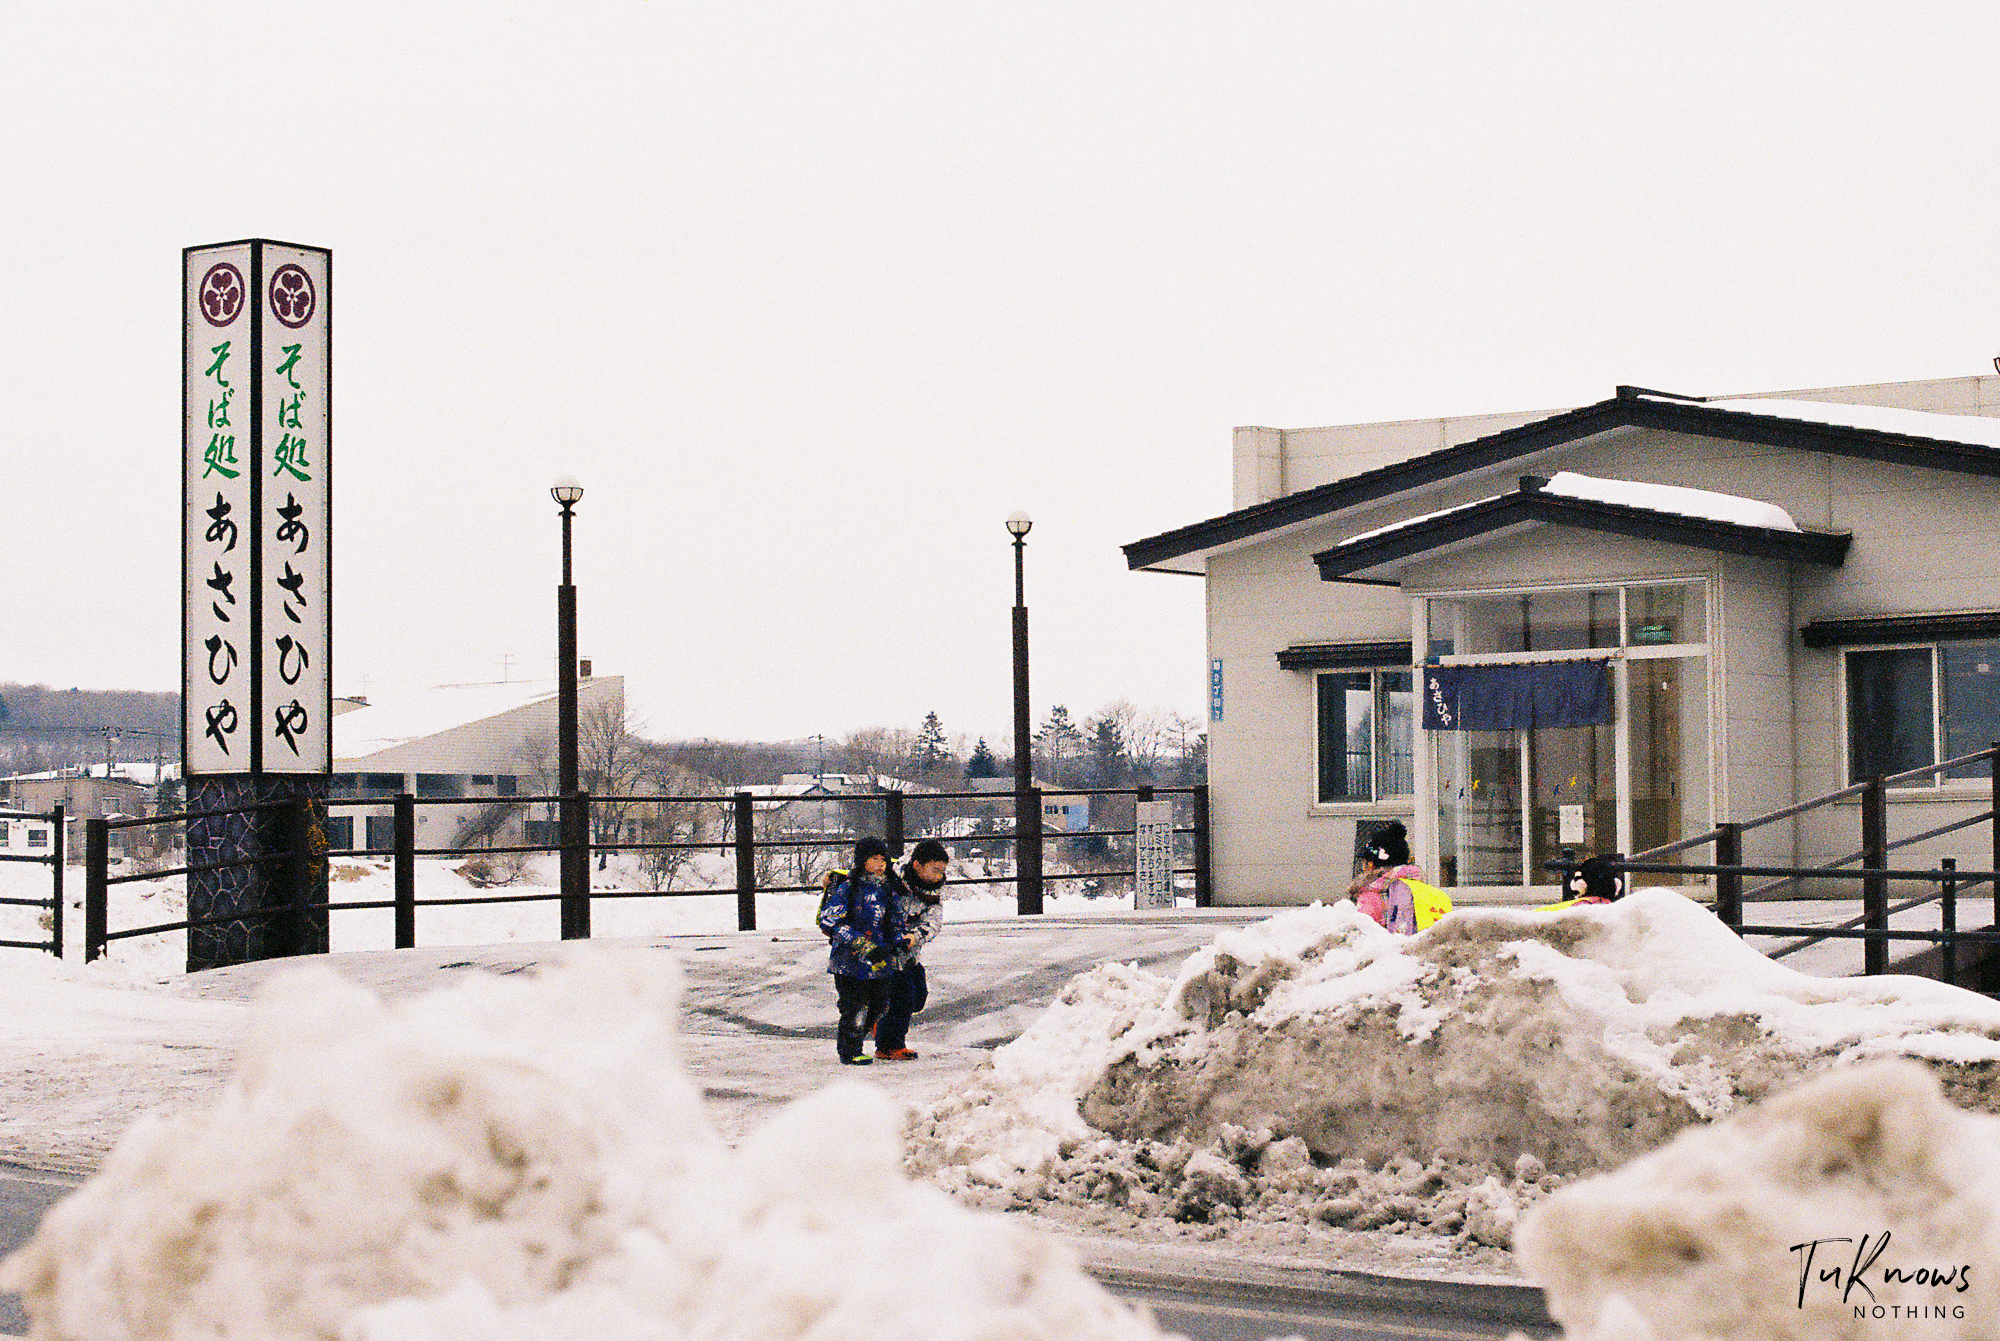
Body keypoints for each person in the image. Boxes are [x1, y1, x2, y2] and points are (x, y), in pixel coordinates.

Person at [817, 836, 910, 1065]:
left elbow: (895, 919)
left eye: (883, 859)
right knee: (856, 1005)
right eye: (874, 859)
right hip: (849, 961)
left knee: (879, 1004)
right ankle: (850, 1049)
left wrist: (898, 940)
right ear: (862, 861)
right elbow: (829, 919)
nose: (880, 864)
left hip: (880, 959)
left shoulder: (889, 888)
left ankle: (857, 1036)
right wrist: (860, 944)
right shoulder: (849, 886)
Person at [874, 839, 948, 1060]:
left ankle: (878, 1017)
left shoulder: (932, 892)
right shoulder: (889, 878)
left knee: (918, 997)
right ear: (917, 865)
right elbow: (858, 879)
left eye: (942, 871)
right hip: (885, 952)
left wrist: (917, 936)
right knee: (903, 997)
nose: (939, 876)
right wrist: (833, 879)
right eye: (935, 870)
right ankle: (890, 1045)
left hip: (909, 953)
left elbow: (934, 921)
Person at [1348, 820, 1421, 934]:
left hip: (1385, 950)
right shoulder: (1423, 891)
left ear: (1370, 864)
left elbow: (1357, 934)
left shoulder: (1371, 895)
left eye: (1364, 861)